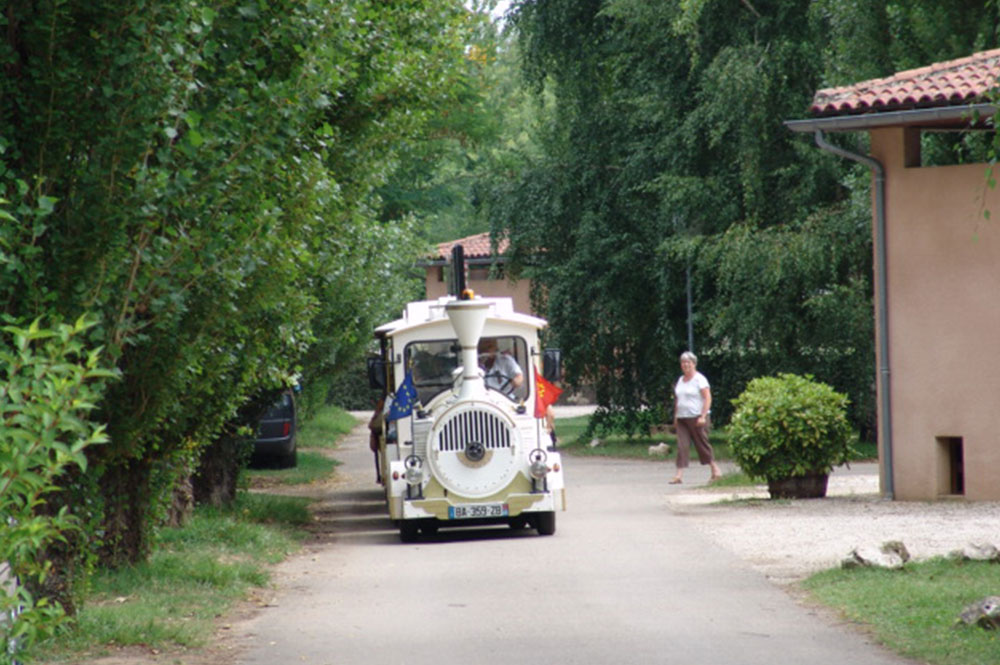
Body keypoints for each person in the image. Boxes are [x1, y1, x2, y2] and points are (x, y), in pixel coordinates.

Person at [670, 351, 722, 484]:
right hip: (682, 418)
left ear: (694, 364)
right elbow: (678, 400)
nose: (685, 365)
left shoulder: (700, 379)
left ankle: (715, 470)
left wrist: (703, 416)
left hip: (697, 417)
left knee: (702, 444)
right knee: (682, 446)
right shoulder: (681, 380)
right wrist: (676, 417)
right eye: (683, 362)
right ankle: (678, 475)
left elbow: (707, 398)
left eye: (688, 362)